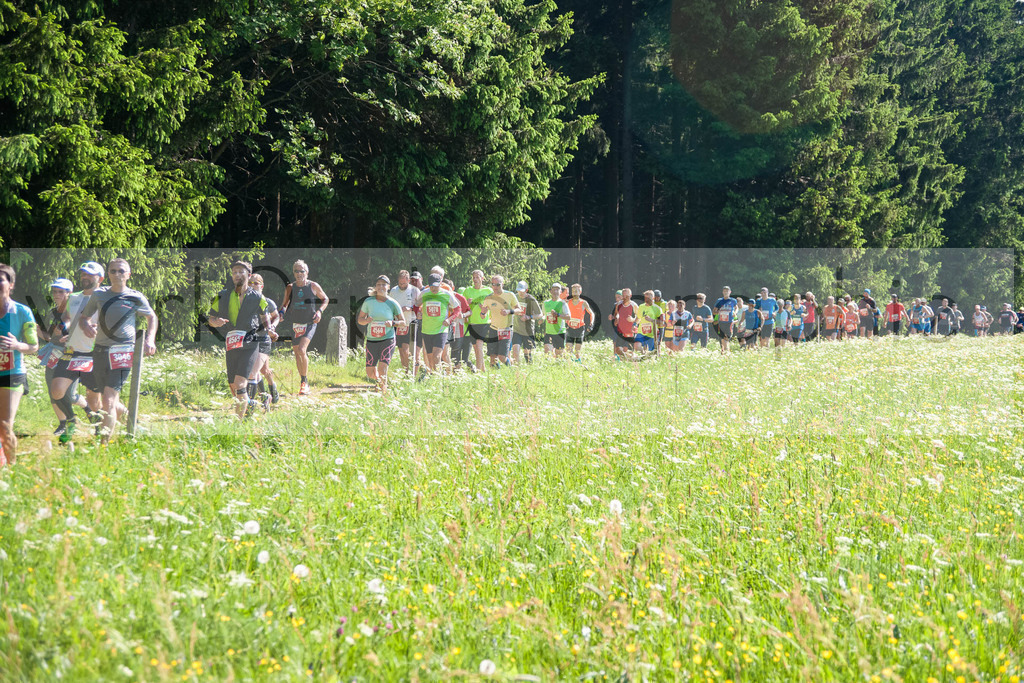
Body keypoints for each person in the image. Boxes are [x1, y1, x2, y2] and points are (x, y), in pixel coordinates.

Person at [79, 258, 158, 445]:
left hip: (123, 351)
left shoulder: (135, 297)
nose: (117, 274)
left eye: (121, 271)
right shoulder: (99, 295)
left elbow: (152, 317)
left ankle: (104, 445)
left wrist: (150, 339)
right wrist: (86, 326)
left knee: (108, 399)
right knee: (104, 399)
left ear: (128, 275)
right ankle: (133, 424)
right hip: (100, 350)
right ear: (108, 274)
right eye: (113, 271)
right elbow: (84, 318)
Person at [207, 261, 273, 418]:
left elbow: (265, 317)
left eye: (241, 272)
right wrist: (216, 322)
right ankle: (254, 402)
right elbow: (211, 319)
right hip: (232, 343)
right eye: (234, 272)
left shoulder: (258, 297)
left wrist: (270, 329)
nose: (237, 275)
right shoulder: (221, 295)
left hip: (250, 343)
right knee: (233, 386)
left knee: (240, 384)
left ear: (248, 275)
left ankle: (240, 422)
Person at [49, 262, 105, 444]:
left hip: (94, 354)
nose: (85, 277)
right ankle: (71, 420)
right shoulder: (73, 297)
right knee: (56, 390)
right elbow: (67, 317)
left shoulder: (105, 298)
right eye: (83, 274)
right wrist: (63, 327)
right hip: (72, 352)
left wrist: (99, 328)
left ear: (100, 278)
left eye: (89, 274)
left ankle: (99, 429)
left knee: (94, 400)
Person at [0, 263, 38, 465]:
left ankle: (12, 469)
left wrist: (16, 345)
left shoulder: (22, 311)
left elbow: (34, 346)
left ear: (11, 284)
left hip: (11, 372)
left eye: (0, 280)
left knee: (5, 424)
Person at [38, 278, 82, 437]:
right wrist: (37, 329)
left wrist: (71, 337)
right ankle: (63, 423)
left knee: (69, 395)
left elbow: (87, 332)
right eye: (55, 291)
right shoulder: (53, 312)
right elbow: (49, 337)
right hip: (53, 355)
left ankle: (87, 409)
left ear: (69, 293)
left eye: (61, 291)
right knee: (52, 390)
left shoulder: (77, 311)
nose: (56, 294)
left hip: (72, 356)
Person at [280, 260, 328, 396]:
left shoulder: (313, 285)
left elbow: (325, 299)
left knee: (302, 349)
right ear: (293, 273)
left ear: (307, 272)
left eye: (302, 271)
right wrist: (281, 313)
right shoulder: (290, 287)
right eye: (296, 271)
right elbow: (284, 304)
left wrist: (320, 311)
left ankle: (305, 382)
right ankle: (302, 381)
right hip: (295, 324)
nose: (299, 273)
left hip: (310, 323)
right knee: (297, 353)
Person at [357, 276, 403, 391]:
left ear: (388, 287)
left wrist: (392, 323)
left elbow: (403, 322)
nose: (381, 286)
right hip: (372, 340)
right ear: (375, 287)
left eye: (384, 284)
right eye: (379, 284)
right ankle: (380, 383)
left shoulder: (393, 303)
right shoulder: (368, 301)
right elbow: (360, 320)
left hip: (387, 339)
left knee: (382, 369)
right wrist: (366, 320)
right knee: (370, 373)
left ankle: (383, 393)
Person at [416, 274, 461, 374]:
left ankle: (440, 379)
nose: (433, 288)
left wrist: (449, 319)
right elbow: (416, 306)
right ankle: (434, 378)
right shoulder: (424, 294)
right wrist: (418, 313)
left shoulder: (447, 294)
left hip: (441, 330)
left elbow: (457, 309)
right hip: (427, 330)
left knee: (436, 357)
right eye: (431, 286)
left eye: (436, 286)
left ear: (440, 284)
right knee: (430, 359)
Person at [247, 274, 280, 404]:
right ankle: (267, 394)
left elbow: (276, 316)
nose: (252, 286)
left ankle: (250, 405)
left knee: (254, 372)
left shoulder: (267, 302)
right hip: (250, 340)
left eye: (255, 283)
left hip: (263, 340)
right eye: (250, 283)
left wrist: (272, 327)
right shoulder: (246, 301)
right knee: (263, 370)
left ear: (262, 286)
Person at [481, 275, 520, 367]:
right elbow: (482, 316)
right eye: (493, 284)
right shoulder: (488, 298)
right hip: (493, 328)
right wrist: (483, 313)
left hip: (505, 329)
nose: (495, 287)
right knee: (493, 358)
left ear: (502, 284)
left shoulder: (510, 295)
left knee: (502, 357)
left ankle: (510, 370)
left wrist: (508, 311)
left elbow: (519, 310)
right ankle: (495, 375)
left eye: (497, 285)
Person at [461, 270, 493, 372]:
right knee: (476, 348)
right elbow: (462, 306)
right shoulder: (468, 290)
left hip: (484, 322)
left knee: (479, 345)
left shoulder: (488, 291)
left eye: (477, 277)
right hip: (471, 322)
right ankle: (483, 370)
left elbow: (493, 305)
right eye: (473, 277)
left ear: (482, 278)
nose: (475, 279)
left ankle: (478, 371)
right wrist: (467, 303)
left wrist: (485, 308)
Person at [389, 270, 420, 373]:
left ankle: (412, 372)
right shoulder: (393, 291)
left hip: (410, 322)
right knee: (401, 350)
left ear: (408, 281)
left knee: (408, 349)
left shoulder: (415, 291)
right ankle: (405, 372)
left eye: (404, 283)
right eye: (400, 283)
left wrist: (410, 308)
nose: (402, 285)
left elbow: (420, 306)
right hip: (398, 323)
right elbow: (390, 305)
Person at [511, 281, 542, 364]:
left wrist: (529, 317)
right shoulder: (515, 297)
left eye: (522, 291)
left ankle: (529, 367)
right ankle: (516, 368)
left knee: (527, 354)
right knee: (515, 351)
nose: (520, 293)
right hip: (516, 329)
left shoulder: (531, 300)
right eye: (518, 291)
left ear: (526, 290)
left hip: (528, 330)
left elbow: (540, 314)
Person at [565, 284, 595, 361]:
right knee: (568, 351)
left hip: (580, 329)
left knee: (577, 352)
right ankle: (570, 365)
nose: (574, 292)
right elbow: (563, 313)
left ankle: (579, 363)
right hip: (570, 328)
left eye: (576, 291)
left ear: (580, 292)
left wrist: (591, 324)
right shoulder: (568, 302)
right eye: (573, 291)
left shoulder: (583, 302)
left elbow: (592, 313)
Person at [542, 283, 570, 358]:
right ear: (551, 291)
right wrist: (541, 319)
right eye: (554, 290)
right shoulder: (545, 303)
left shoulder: (563, 303)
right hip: (549, 332)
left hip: (559, 332)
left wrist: (557, 314)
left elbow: (568, 317)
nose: (555, 292)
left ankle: (560, 362)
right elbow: (544, 315)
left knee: (559, 355)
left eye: (557, 290)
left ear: (560, 292)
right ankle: (549, 364)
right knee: (547, 352)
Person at [634, 290, 663, 355]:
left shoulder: (657, 309)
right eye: (645, 298)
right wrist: (634, 324)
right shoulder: (641, 306)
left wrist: (652, 320)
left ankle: (646, 357)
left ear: (653, 298)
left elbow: (662, 323)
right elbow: (638, 317)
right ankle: (644, 355)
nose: (646, 299)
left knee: (651, 353)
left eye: (648, 298)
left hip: (651, 334)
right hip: (641, 332)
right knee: (636, 346)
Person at [610, 289, 636, 360]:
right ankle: (623, 359)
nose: (624, 297)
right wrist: (616, 318)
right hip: (620, 330)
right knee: (618, 349)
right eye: (623, 295)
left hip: (630, 330)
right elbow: (616, 314)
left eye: (626, 296)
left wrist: (633, 320)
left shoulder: (633, 305)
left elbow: (639, 317)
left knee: (628, 349)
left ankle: (631, 361)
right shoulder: (618, 304)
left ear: (630, 296)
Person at [713, 286, 738, 353]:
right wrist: (717, 312)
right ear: (722, 292)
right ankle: (725, 352)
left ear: (730, 292)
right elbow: (714, 311)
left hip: (729, 322)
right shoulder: (719, 300)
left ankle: (726, 351)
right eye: (724, 291)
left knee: (727, 337)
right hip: (721, 322)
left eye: (727, 291)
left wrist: (735, 313)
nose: (726, 292)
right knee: (721, 338)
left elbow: (736, 308)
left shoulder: (733, 300)